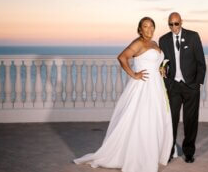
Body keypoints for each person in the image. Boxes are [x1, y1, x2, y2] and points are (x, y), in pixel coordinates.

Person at [73, 17, 173, 172]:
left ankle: (152, 152)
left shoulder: (154, 43)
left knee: (155, 119)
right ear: (140, 29)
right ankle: (139, 157)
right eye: (145, 26)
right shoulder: (138, 42)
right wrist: (133, 74)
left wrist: (160, 69)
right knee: (142, 120)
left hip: (157, 86)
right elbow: (122, 57)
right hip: (144, 86)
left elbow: (154, 62)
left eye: (152, 26)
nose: (149, 29)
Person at [159, 12, 206, 163]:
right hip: (174, 87)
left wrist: (197, 84)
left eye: (176, 23)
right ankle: (169, 150)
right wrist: (166, 82)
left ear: (181, 22)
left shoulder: (193, 36)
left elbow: (201, 62)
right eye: (170, 24)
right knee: (171, 120)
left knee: (190, 120)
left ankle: (189, 152)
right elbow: (162, 64)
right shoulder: (163, 40)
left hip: (191, 86)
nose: (174, 27)